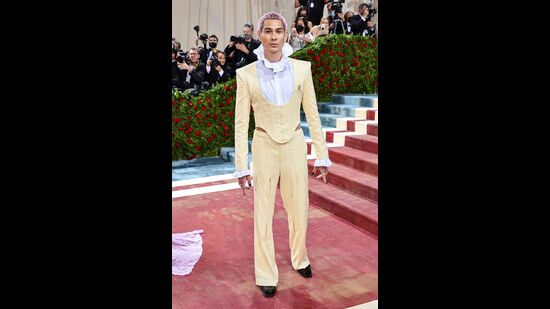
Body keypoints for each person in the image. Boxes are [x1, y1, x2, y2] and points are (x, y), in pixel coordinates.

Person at [233, 11, 332, 298]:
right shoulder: (245, 74)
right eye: (268, 31)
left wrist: (321, 156)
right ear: (260, 35)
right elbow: (241, 124)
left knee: (299, 207)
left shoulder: (303, 69)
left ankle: (300, 258)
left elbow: (313, 115)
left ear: (286, 35)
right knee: (262, 212)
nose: (273, 36)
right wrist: (242, 166)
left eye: (279, 31)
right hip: (263, 144)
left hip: (294, 144)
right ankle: (266, 273)